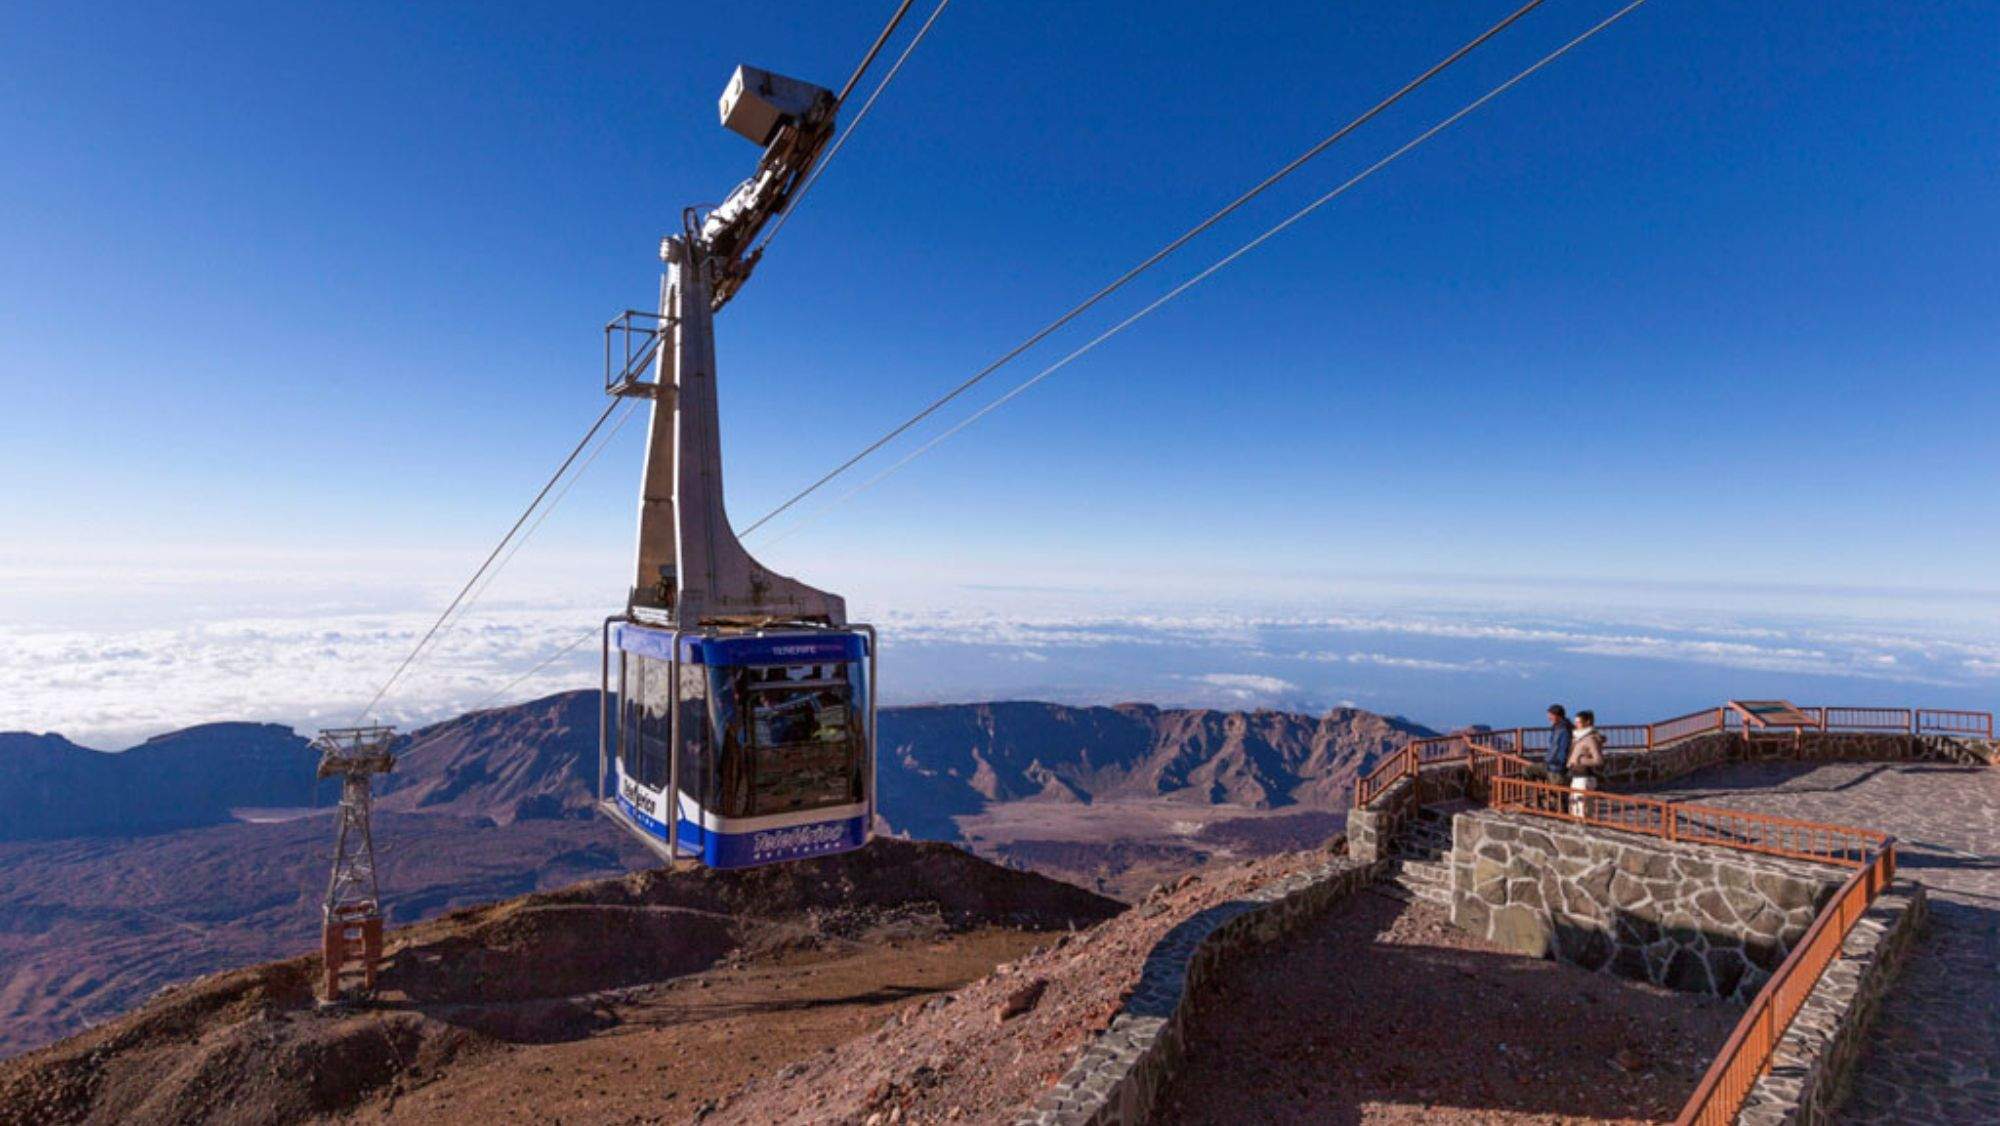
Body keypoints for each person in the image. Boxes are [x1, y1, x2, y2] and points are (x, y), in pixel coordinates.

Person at [1569, 709, 1605, 816]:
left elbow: (1598, 760)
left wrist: (1580, 760)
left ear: (1587, 722)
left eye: (1578, 722)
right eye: (1575, 722)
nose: (1576, 725)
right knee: (1575, 809)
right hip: (1576, 776)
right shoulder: (1578, 738)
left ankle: (1583, 830)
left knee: (1582, 811)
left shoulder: (1590, 739)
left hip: (1585, 777)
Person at [1544, 704, 1572, 783]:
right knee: (1529, 770)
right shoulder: (1557, 728)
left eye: (1551, 715)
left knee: (1528, 771)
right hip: (1551, 764)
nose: (1549, 718)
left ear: (1558, 716)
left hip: (1556, 767)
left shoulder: (1564, 730)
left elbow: (1563, 750)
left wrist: (1558, 764)